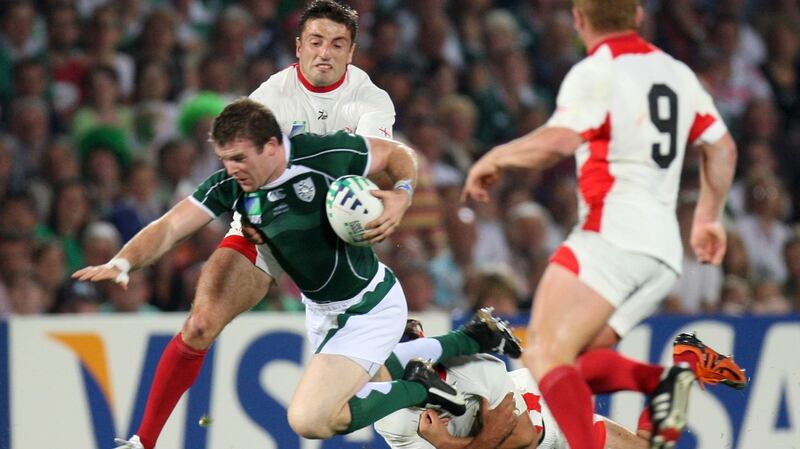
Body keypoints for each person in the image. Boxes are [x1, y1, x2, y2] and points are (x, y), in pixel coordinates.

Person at [75, 99, 521, 449]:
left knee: (312, 419)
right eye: (224, 158)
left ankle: (421, 388)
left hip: (371, 306)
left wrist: (401, 195)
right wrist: (123, 261)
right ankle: (470, 339)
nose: (231, 168)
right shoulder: (234, 185)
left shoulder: (326, 155)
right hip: (323, 311)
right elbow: (171, 225)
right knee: (366, 381)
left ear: (272, 146)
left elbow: (398, 155)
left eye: (239, 158)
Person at [89, 1, 397, 448]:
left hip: (330, 235)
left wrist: (398, 195)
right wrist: (124, 260)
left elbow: (373, 164)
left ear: (352, 51)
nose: (324, 53)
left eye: (337, 44)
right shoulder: (270, 97)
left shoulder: (370, 100)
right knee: (199, 325)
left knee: (385, 368)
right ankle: (144, 441)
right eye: (315, 42)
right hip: (264, 228)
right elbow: (191, 211)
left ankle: (437, 368)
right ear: (299, 46)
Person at [462, 1, 741, 448]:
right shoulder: (676, 72)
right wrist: (709, 217)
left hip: (611, 236)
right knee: (574, 360)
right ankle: (678, 372)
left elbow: (559, 140)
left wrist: (497, 156)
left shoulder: (597, 71)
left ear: (578, 20)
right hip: (663, 252)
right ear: (637, 15)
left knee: (543, 353)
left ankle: (664, 380)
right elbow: (722, 148)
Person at [375, 319, 655, 449]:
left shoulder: (475, 367)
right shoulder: (389, 419)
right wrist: (492, 436)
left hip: (553, 427)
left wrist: (447, 444)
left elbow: (525, 440)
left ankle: (681, 368)